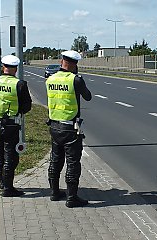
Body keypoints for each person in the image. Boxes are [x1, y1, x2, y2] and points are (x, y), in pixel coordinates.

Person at [45, 50, 92, 208]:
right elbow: (88, 96)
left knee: (55, 160)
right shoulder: (75, 80)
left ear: (61, 62)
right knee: (72, 163)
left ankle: (54, 192)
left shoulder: (50, 79)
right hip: (70, 128)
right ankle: (72, 198)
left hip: (54, 126)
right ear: (74, 64)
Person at [0, 55, 32, 197]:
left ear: (3, 67)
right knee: (11, 157)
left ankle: (2, 183)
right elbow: (27, 106)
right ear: (16, 69)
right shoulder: (20, 84)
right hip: (11, 125)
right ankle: (8, 188)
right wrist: (18, 111)